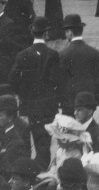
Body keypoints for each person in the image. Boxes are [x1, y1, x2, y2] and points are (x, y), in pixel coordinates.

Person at [8, 18, 60, 166]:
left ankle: (34, 165)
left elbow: (12, 79)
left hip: (29, 104)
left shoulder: (23, 54)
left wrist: (22, 93)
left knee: (32, 135)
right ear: (46, 33)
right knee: (45, 138)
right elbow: (57, 79)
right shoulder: (53, 54)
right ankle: (42, 167)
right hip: (48, 103)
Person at [58, 14, 99, 113]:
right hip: (88, 101)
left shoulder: (63, 54)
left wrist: (61, 101)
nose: (66, 35)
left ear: (70, 32)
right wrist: (97, 99)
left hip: (69, 102)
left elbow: (60, 81)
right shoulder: (94, 52)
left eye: (66, 32)